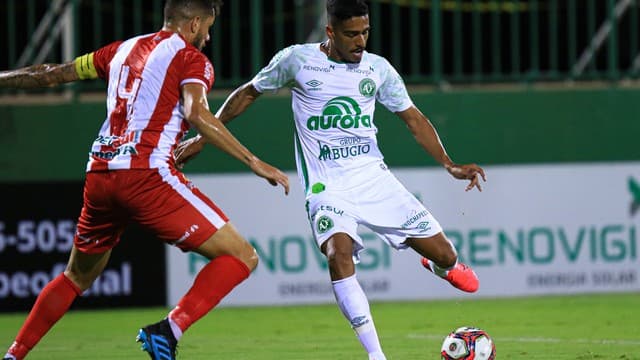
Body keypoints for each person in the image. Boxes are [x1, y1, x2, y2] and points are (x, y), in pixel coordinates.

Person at [175, 0, 487, 359]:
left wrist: (449, 164)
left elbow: (414, 119)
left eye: (365, 33)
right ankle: (376, 355)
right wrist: (202, 138)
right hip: (327, 187)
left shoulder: (377, 70)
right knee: (338, 257)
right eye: (351, 34)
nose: (360, 42)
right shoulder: (298, 60)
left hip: (374, 179)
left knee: (447, 254)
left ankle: (439, 266)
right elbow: (248, 92)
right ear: (330, 32)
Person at [0, 1, 289, 359]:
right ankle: (168, 330)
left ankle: (14, 354)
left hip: (100, 173)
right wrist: (253, 161)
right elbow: (196, 112)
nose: (208, 37)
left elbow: (50, 74)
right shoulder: (191, 59)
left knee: (76, 276)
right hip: (146, 174)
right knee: (241, 257)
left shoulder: (119, 50)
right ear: (195, 23)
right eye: (207, 28)